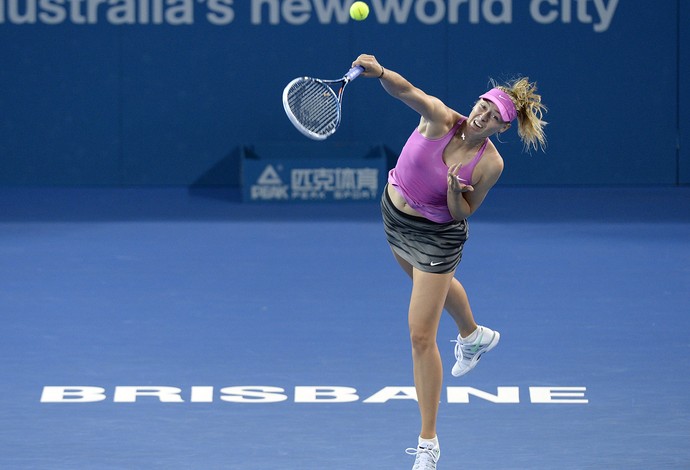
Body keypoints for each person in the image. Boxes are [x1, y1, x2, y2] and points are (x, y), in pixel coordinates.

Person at [352, 53, 547, 470]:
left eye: (493, 116)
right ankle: (474, 335)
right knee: (432, 289)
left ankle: (428, 443)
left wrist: (455, 191)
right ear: (475, 102)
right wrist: (382, 72)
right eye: (482, 106)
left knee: (421, 336)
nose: (482, 116)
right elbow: (407, 92)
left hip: (438, 238)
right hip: (394, 216)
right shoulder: (440, 118)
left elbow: (463, 212)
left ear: (502, 127)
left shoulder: (491, 163)